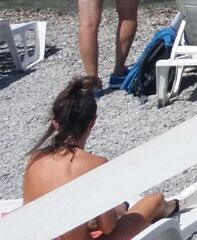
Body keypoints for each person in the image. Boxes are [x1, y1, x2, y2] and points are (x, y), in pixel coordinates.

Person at [21, 75, 179, 239]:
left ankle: (120, 208)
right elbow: (108, 227)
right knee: (154, 200)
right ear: (92, 122)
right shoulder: (95, 164)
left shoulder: (35, 158)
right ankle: (168, 207)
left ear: (56, 123)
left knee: (112, 209)